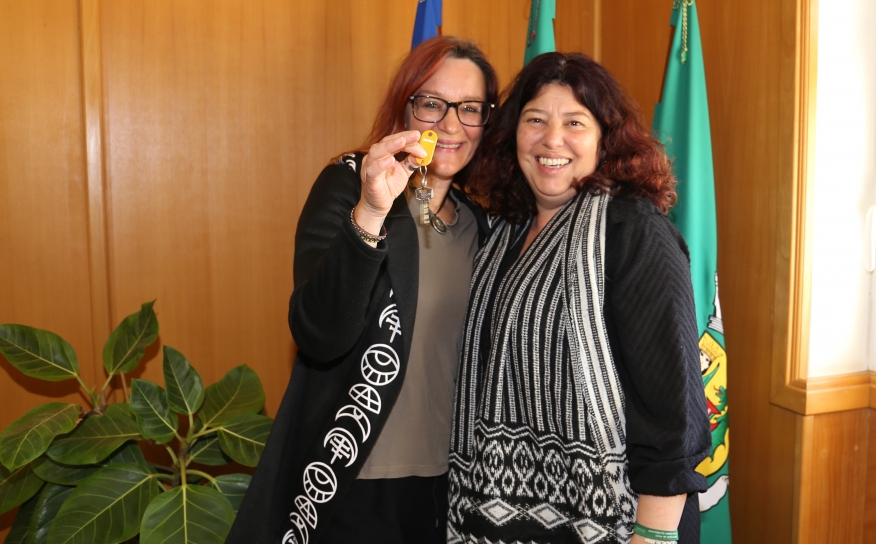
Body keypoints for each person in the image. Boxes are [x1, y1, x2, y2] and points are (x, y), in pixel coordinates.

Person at [226, 37, 498, 544]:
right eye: (432, 103)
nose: (450, 124)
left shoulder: (479, 224)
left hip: (452, 486)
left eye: (470, 109)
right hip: (350, 479)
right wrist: (371, 213)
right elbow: (318, 334)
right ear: (405, 105)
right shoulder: (349, 185)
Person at [447, 52, 711, 544]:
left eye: (574, 122)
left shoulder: (633, 231)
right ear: (512, 135)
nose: (552, 139)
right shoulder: (501, 234)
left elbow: (674, 407)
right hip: (493, 515)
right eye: (535, 120)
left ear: (605, 138)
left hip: (619, 523)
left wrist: (651, 535)